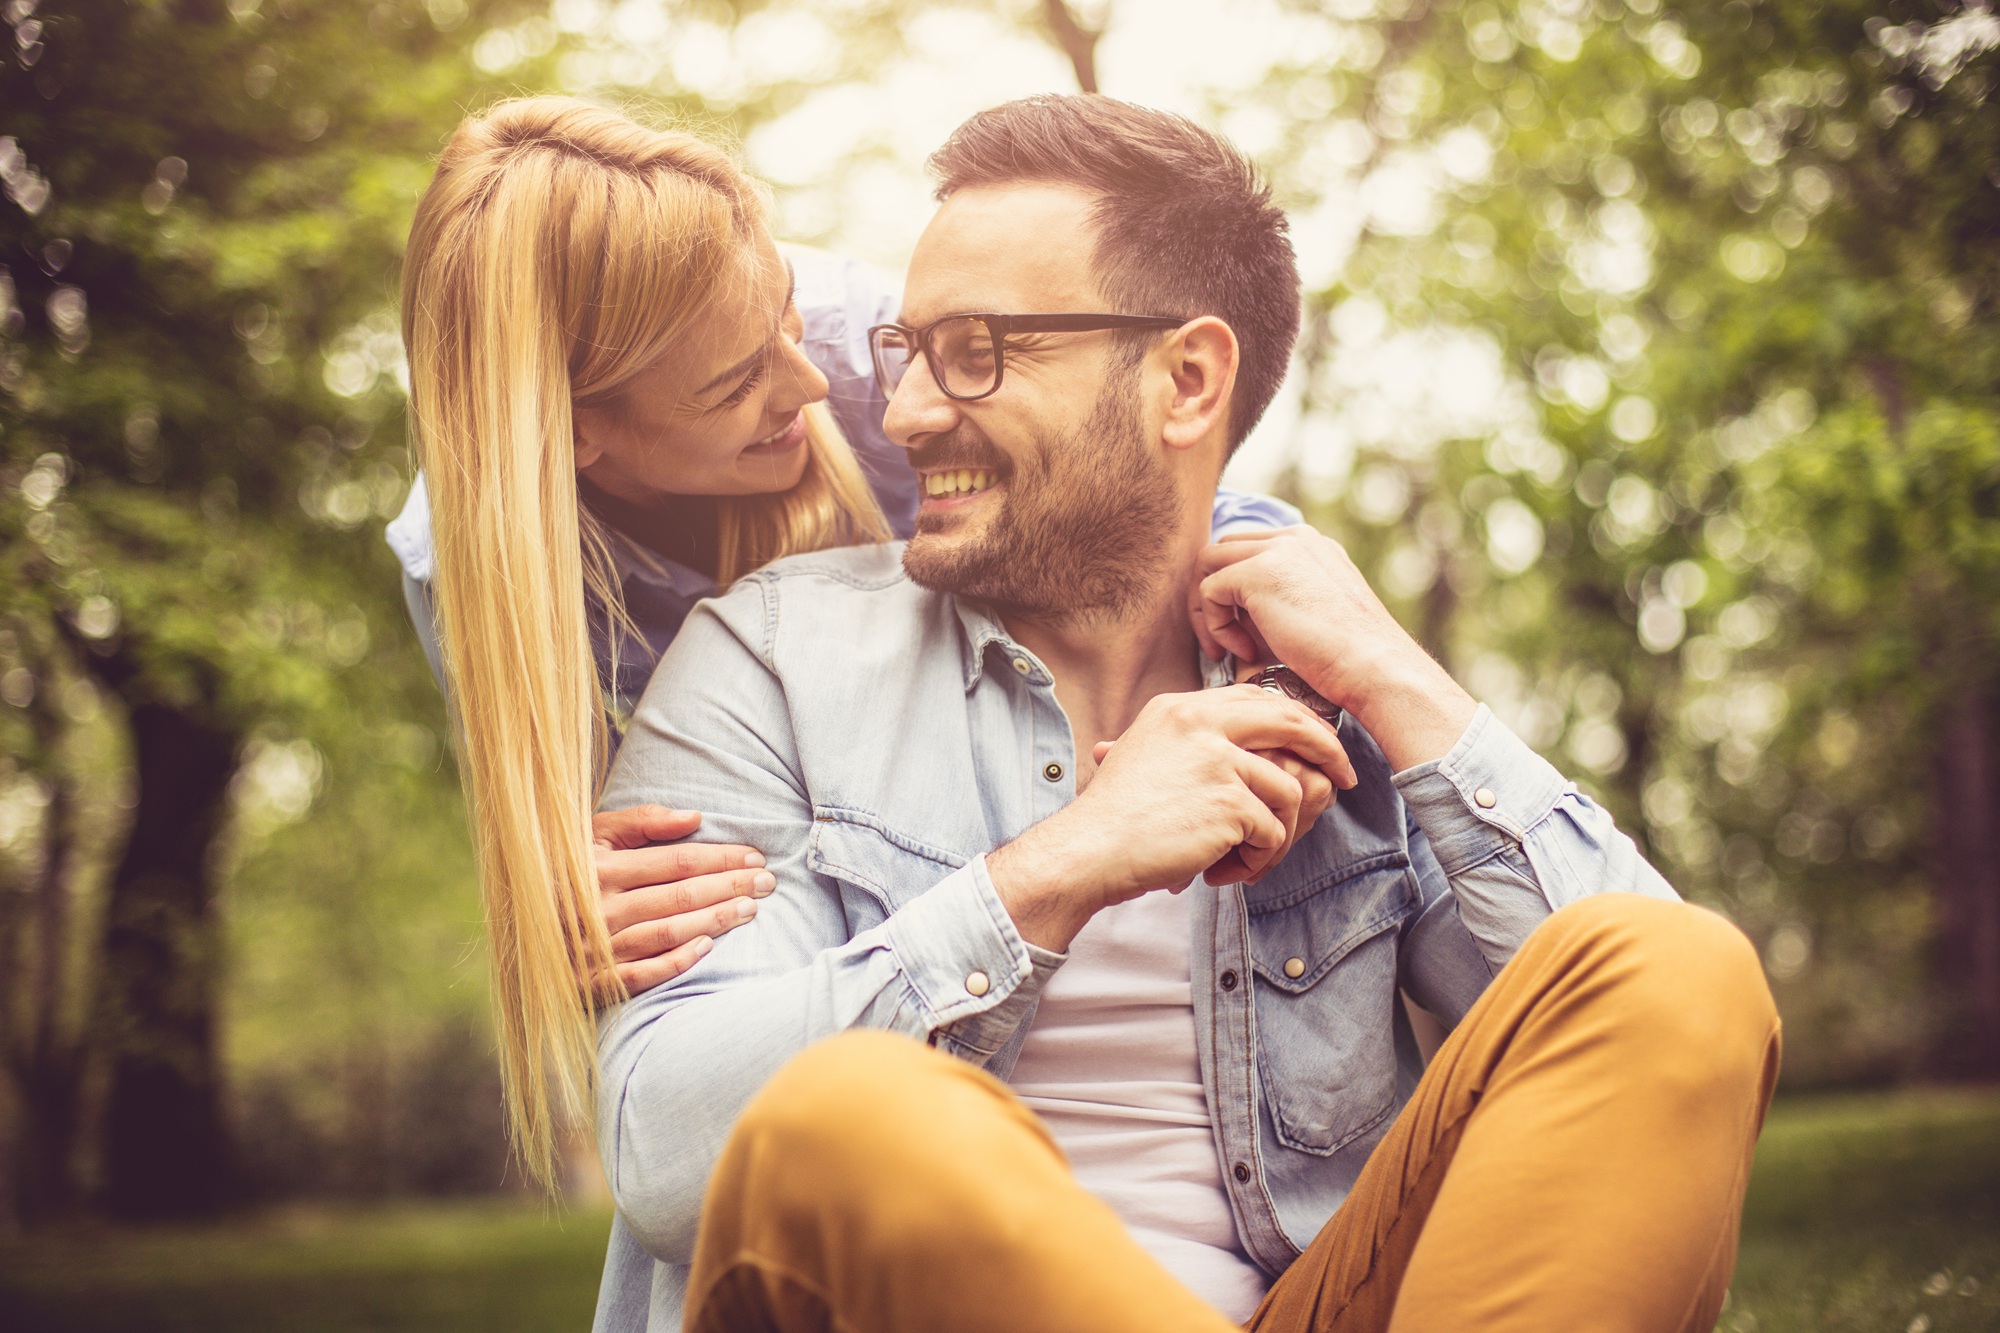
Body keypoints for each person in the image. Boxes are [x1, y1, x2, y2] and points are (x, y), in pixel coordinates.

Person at [592, 95, 1782, 1333]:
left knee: (1675, 964)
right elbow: (670, 1150)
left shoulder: (1335, 685)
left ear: (1188, 379)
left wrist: (1401, 684)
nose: (901, 416)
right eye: (906, 350)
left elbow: (1642, 1051)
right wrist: (1062, 866)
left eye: (978, 351)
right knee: (856, 1112)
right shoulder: (770, 656)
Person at [386, 96, 1300, 1188]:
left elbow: (1144, 494)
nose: (811, 382)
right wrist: (574, 898)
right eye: (737, 384)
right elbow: (611, 867)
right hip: (817, 927)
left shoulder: (860, 346)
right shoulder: (471, 562)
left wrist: (1285, 574)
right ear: (579, 434)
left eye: (782, 316)